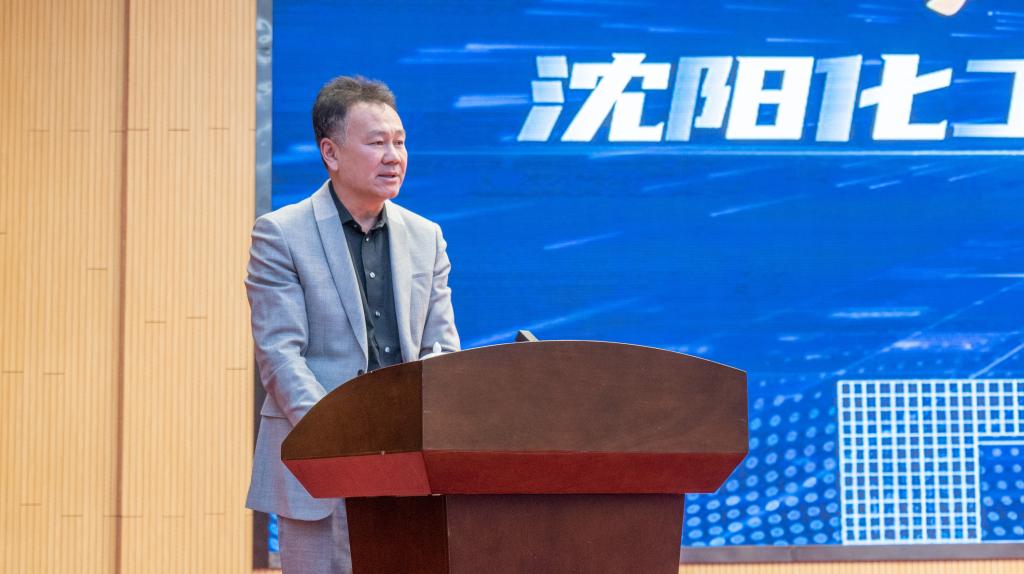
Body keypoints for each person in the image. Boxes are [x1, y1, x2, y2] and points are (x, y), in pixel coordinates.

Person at [244, 76, 460, 574]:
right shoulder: (281, 234)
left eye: (400, 142)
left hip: (407, 470)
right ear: (331, 152)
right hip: (319, 464)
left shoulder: (426, 237)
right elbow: (280, 356)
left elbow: (443, 349)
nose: (394, 156)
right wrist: (341, 438)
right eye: (377, 142)